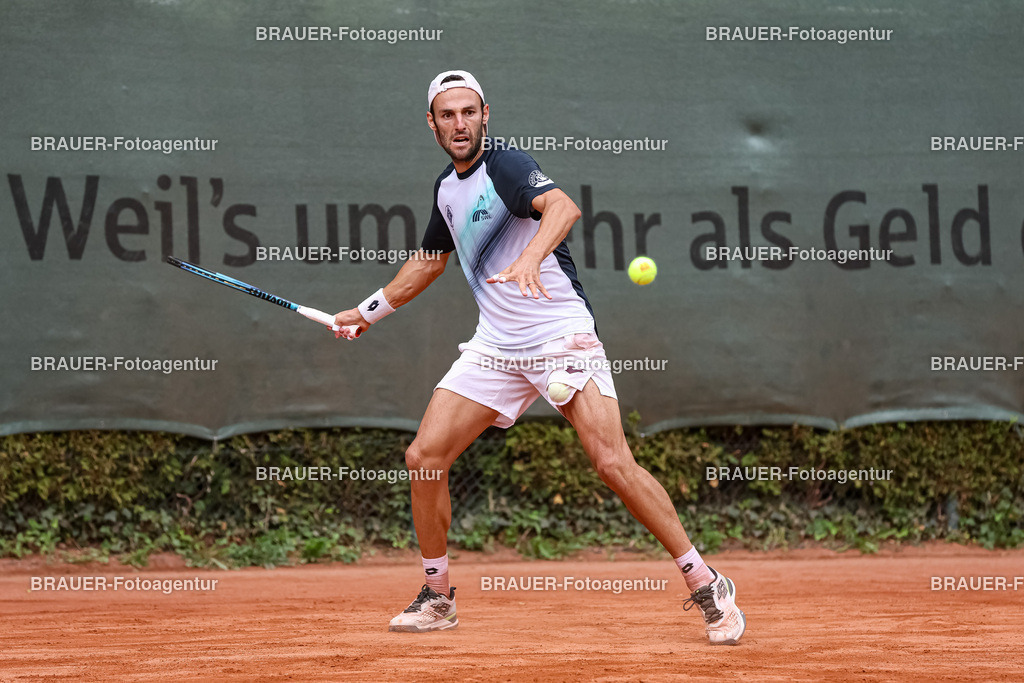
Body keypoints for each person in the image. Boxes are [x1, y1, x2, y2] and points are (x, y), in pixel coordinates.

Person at [332, 70, 745, 645]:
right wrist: (365, 311)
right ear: (432, 123)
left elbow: (563, 209)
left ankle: (707, 582)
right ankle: (437, 596)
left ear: (484, 116)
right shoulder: (445, 190)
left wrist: (529, 259)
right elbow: (428, 262)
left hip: (559, 337)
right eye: (447, 115)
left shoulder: (505, 164)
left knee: (611, 462)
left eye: (469, 112)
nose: (459, 124)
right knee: (424, 456)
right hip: (497, 346)